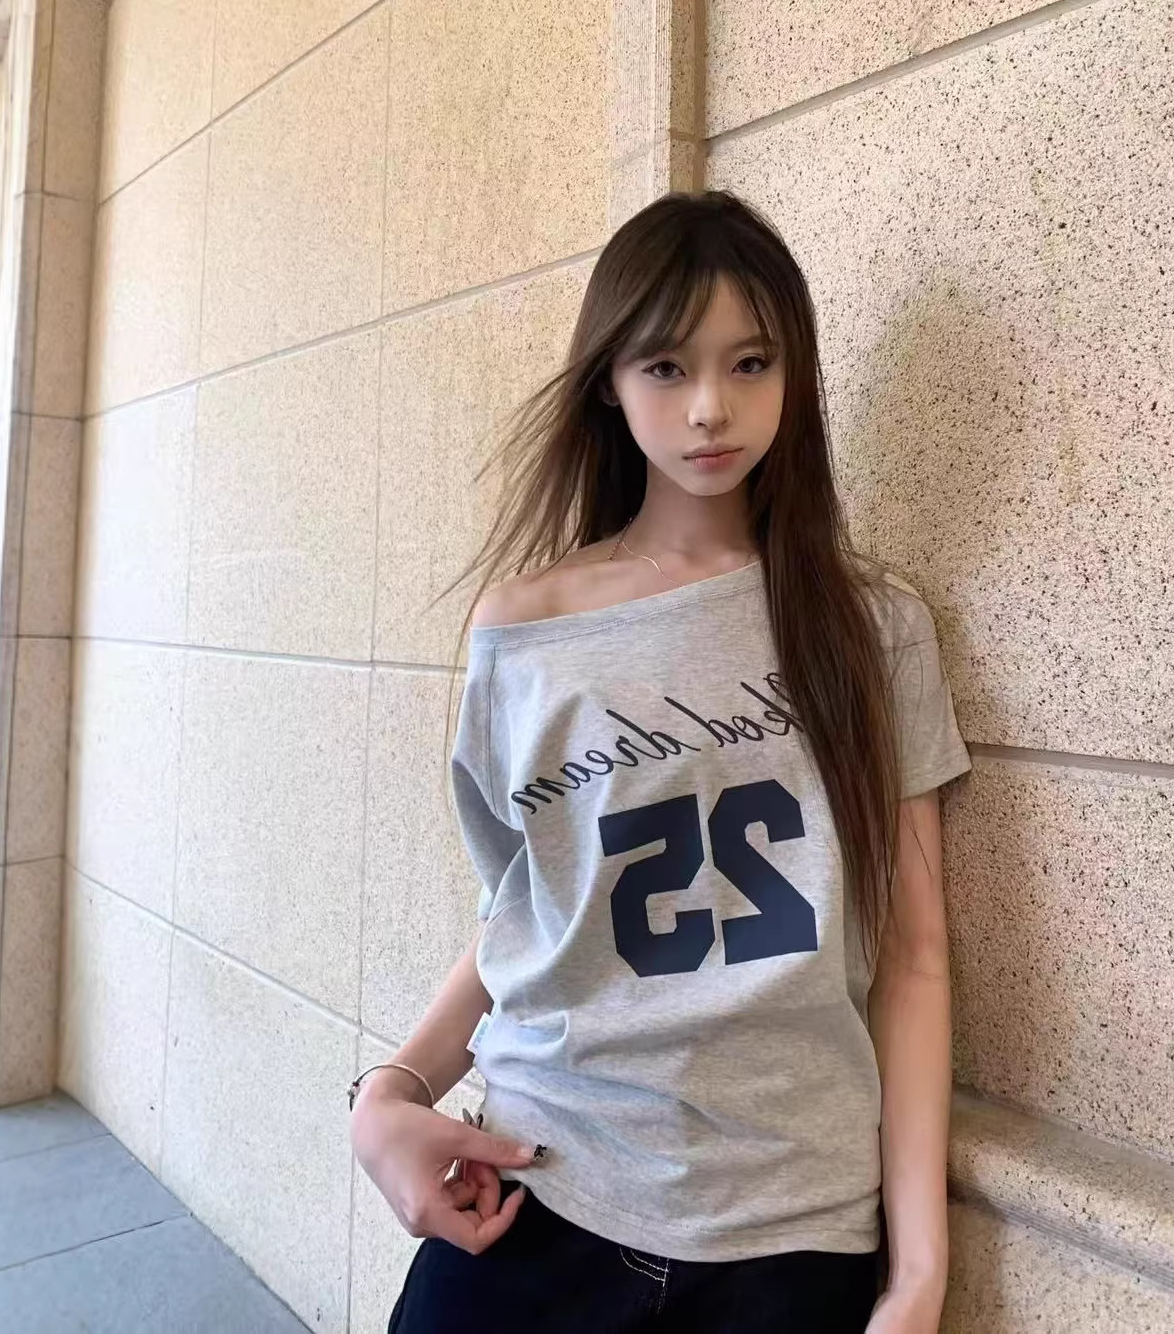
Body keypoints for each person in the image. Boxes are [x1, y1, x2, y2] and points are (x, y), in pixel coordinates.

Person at [350, 190, 973, 1332]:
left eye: (750, 363)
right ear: (608, 379)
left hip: (789, 1240)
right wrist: (390, 1092)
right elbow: (528, 911)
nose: (709, 408)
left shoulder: (872, 629)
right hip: (538, 1195)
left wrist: (918, 1273)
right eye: (666, 367)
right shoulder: (524, 630)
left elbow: (916, 956)